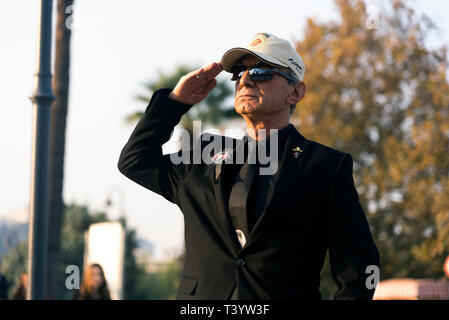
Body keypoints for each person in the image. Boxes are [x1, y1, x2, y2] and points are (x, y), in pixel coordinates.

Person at [118, 32, 380, 299]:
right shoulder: (203, 157)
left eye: (261, 71)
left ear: (295, 91)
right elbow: (135, 161)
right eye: (239, 73)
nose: (245, 79)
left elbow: (358, 269)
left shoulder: (325, 167)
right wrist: (175, 102)